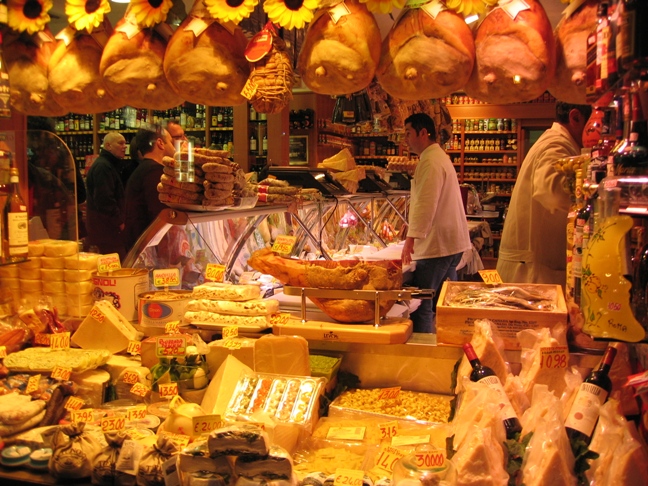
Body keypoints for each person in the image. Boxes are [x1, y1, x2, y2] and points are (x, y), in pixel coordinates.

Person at [497, 102, 592, 285]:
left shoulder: (559, 142)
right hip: (532, 273)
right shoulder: (556, 145)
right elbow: (553, 193)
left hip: (535, 268)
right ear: (576, 118)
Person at [401, 113, 472, 333]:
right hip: (450, 244)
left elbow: (426, 203)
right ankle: (448, 340)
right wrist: (411, 229)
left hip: (436, 247)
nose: (406, 139)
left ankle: (424, 347)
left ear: (423, 133)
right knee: (446, 303)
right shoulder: (438, 157)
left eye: (408, 133)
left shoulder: (430, 161)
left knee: (423, 303)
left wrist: (411, 239)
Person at [123, 126, 176, 251]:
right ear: (160, 143)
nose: (174, 147)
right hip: (148, 248)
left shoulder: (145, 169)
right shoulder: (154, 172)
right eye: (171, 141)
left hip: (141, 245)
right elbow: (160, 216)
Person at [85, 131, 128, 258]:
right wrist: (119, 222)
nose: (125, 146)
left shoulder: (107, 165)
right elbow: (104, 200)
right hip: (106, 232)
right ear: (108, 146)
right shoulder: (103, 167)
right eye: (120, 143)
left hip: (105, 230)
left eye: (125, 143)